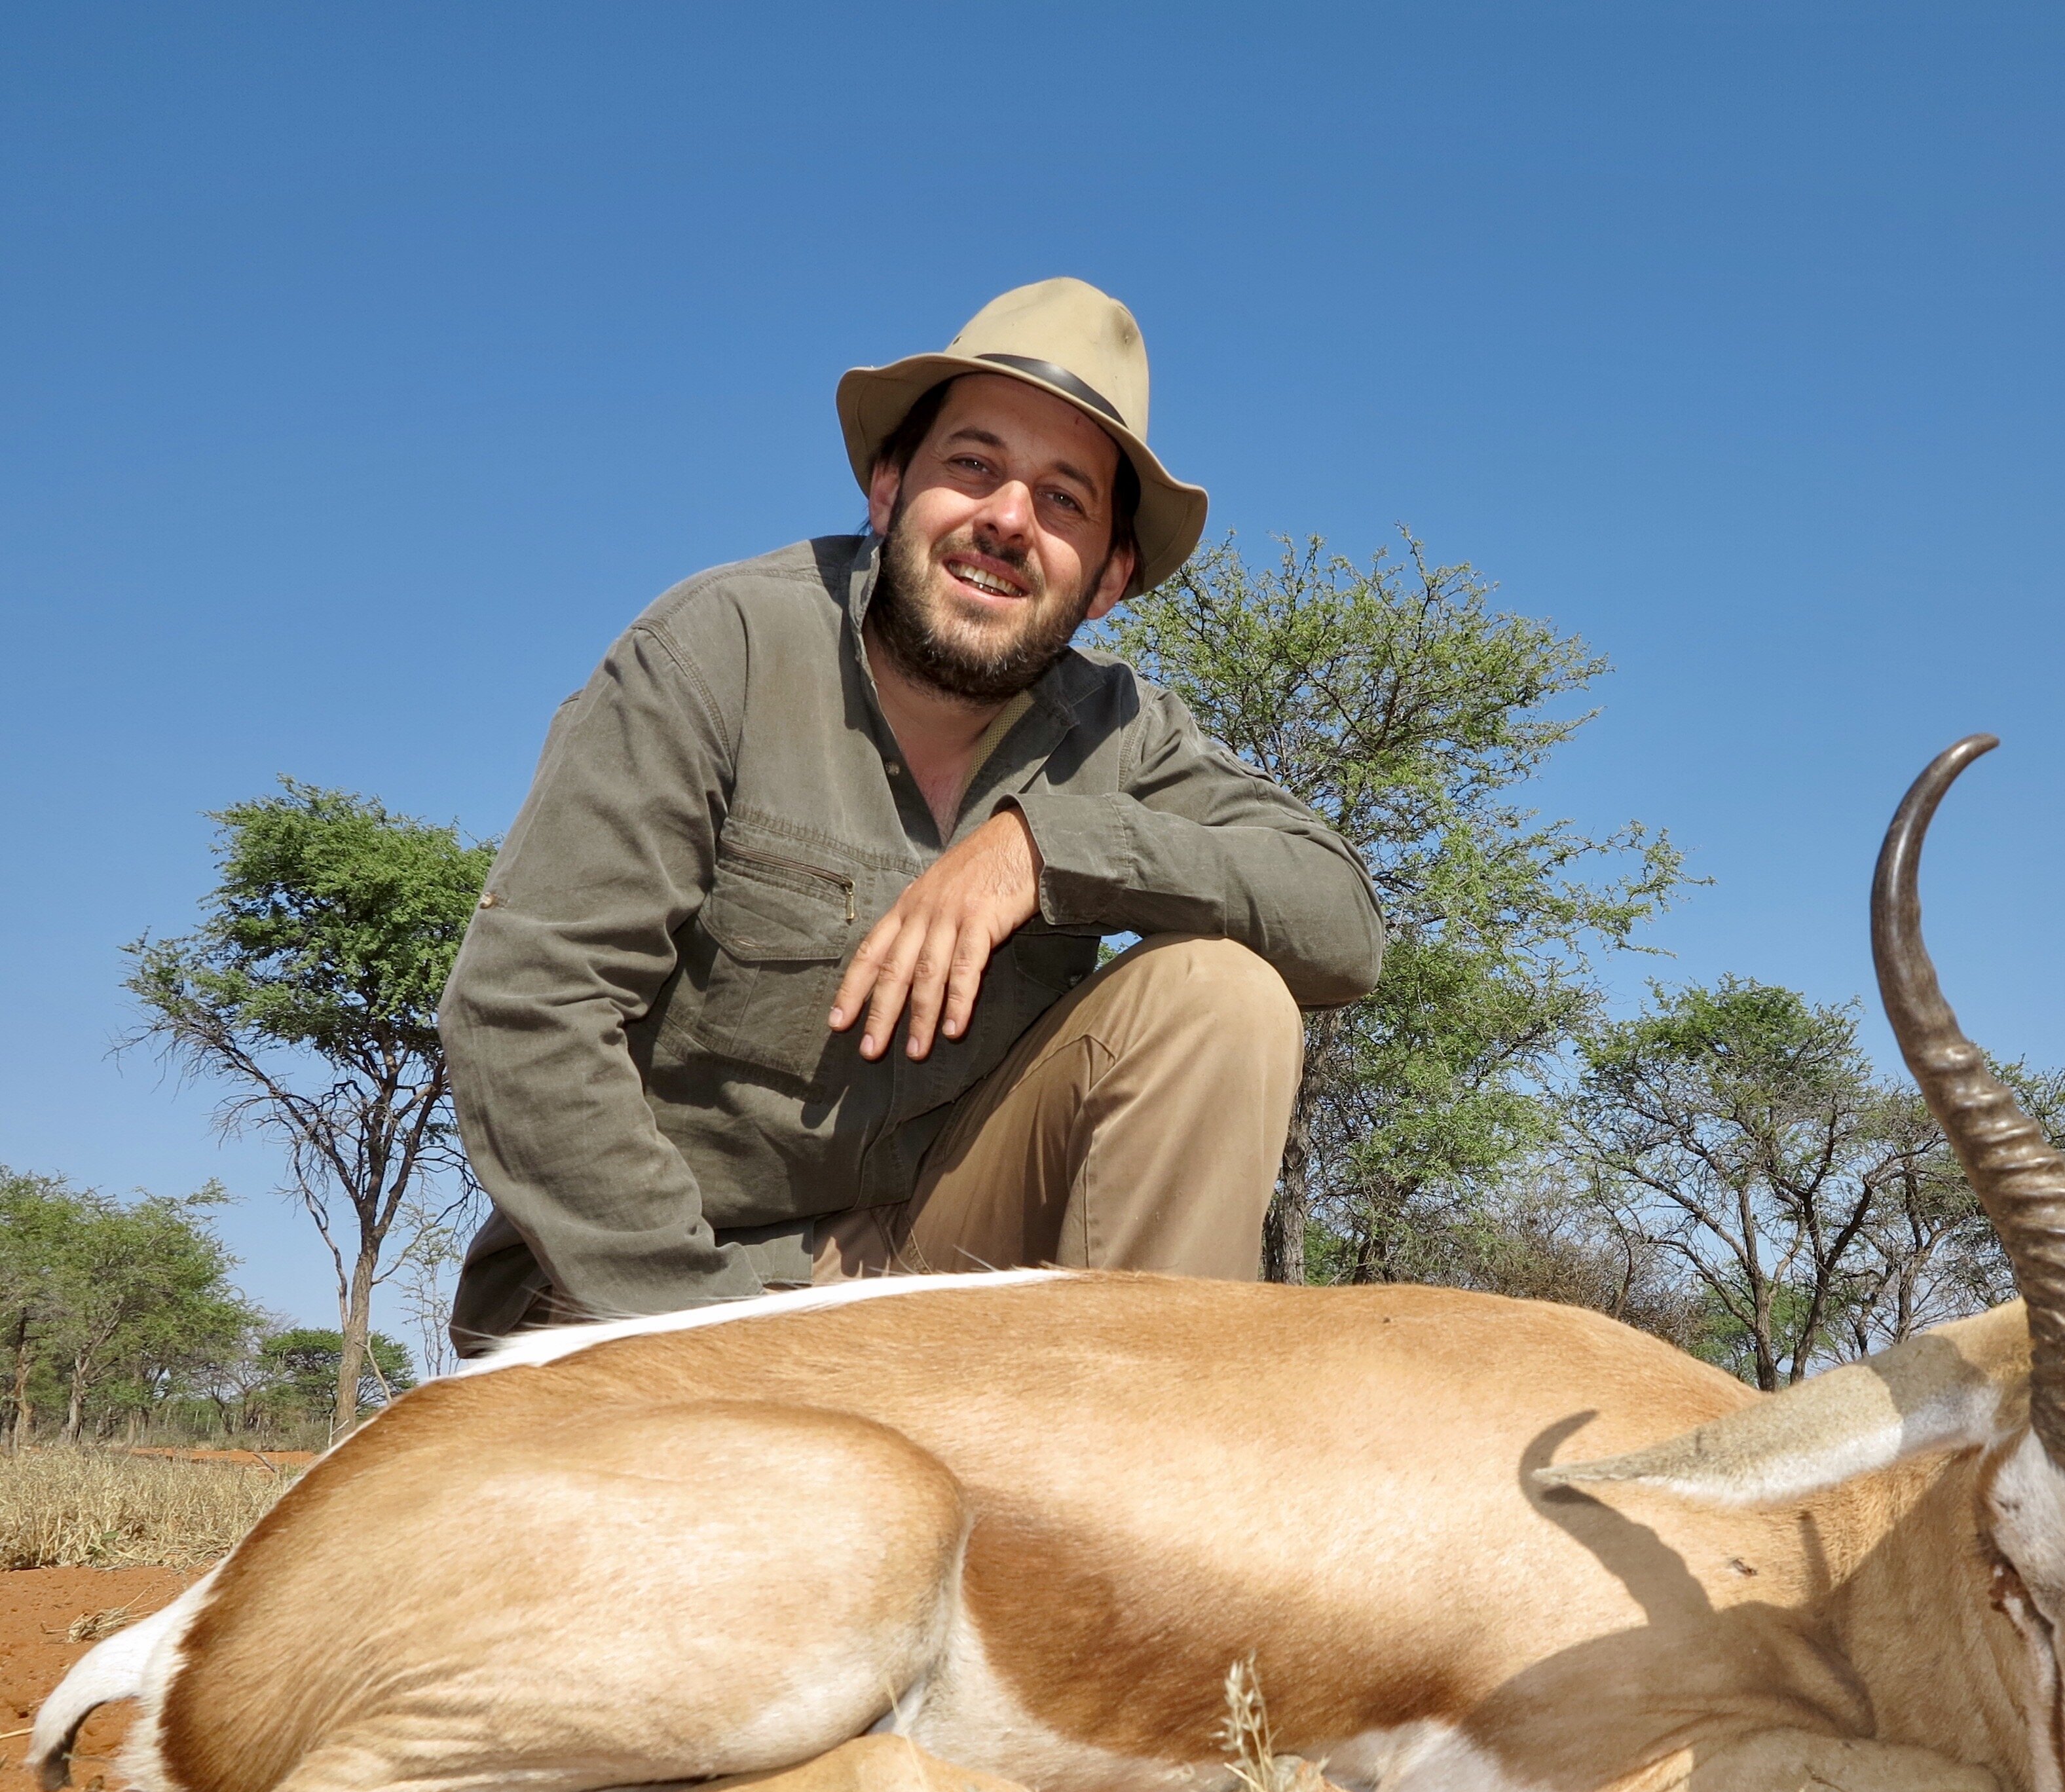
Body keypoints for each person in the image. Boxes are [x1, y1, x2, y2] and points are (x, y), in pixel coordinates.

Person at [441, 279, 1383, 1347]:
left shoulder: (1118, 731)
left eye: (1065, 498)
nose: (1008, 517)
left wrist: (1044, 849)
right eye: (972, 465)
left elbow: (1342, 917)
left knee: (1222, 998)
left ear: (1109, 579)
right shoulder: (720, 645)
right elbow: (525, 1006)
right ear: (889, 490)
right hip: (654, 1283)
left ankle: (1114, 1475)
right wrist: (709, 1345)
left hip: (931, 1281)